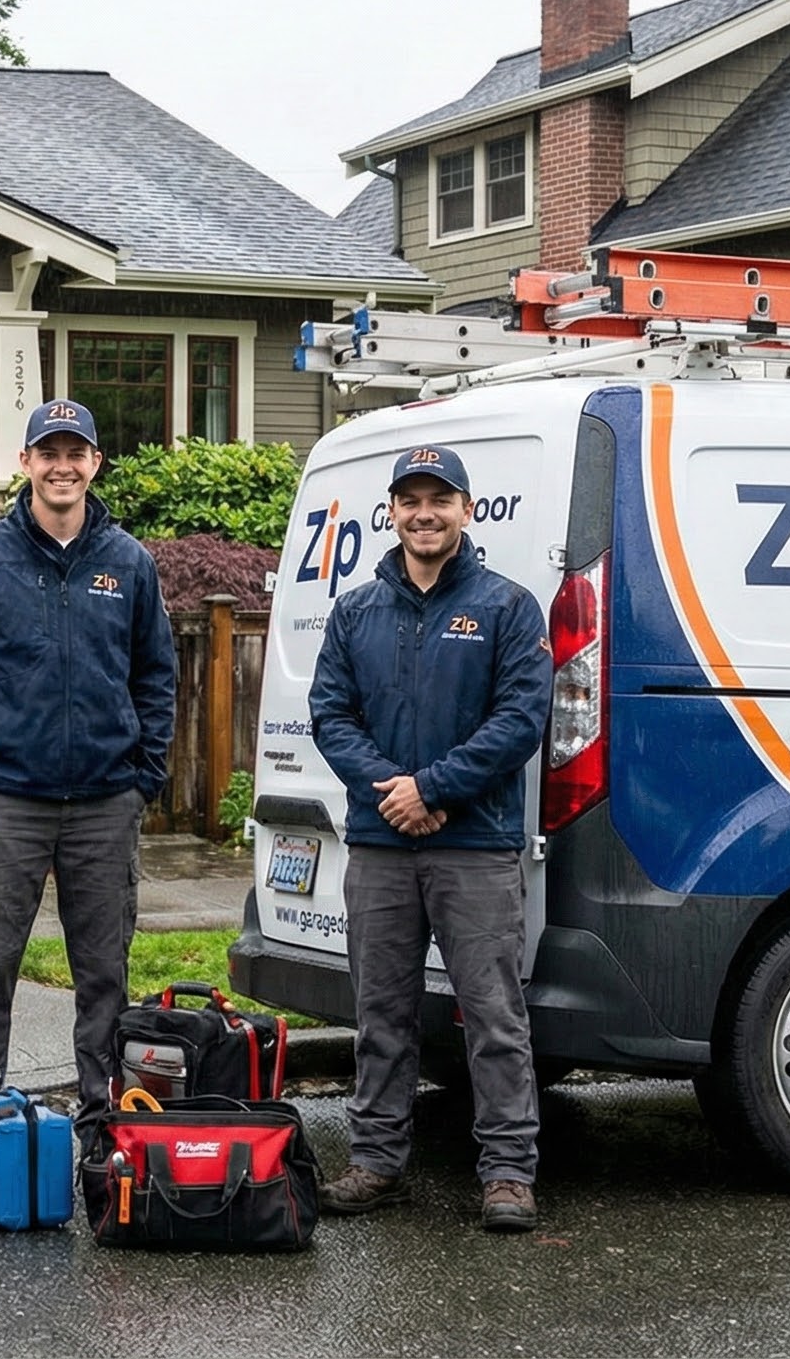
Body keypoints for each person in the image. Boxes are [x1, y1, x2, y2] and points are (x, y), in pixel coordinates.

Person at [308, 442, 553, 1234]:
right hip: (382, 848)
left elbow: (521, 718)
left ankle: (509, 1174)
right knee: (382, 1014)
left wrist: (434, 789)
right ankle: (377, 1163)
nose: (424, 513)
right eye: (411, 500)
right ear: (392, 512)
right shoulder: (355, 612)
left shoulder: (508, 606)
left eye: (439, 499)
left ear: (466, 510)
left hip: (473, 846)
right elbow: (330, 716)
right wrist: (395, 794)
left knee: (493, 1015)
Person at [0, 398, 177, 1106]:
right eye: (49, 452)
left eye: (76, 453)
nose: (62, 466)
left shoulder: (128, 563)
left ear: (95, 463)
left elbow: (156, 676)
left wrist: (143, 778)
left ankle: (102, 1105)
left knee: (103, 970)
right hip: (7, 801)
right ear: (26, 463)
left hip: (104, 803)